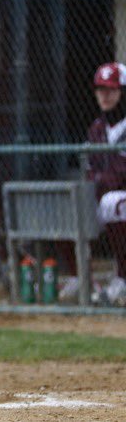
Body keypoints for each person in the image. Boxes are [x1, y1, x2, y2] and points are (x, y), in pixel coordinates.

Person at [78, 62, 126, 304]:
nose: (104, 96)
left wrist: (102, 177)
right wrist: (103, 177)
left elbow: (120, 175)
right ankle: (83, 279)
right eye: (100, 89)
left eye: (111, 90)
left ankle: (123, 277)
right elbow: (91, 170)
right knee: (70, 204)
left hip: (119, 196)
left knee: (112, 201)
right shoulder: (97, 128)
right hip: (106, 194)